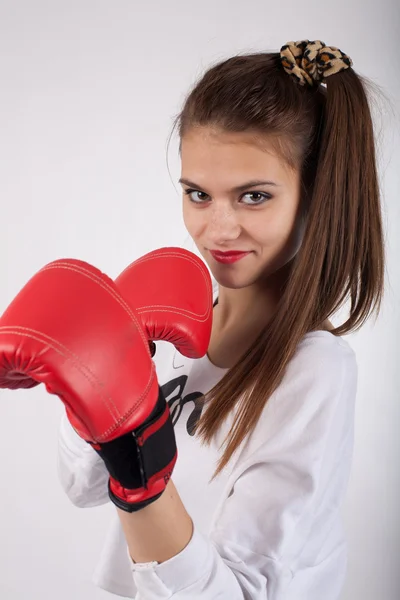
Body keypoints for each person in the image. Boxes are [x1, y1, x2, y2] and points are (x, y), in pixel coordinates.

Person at [55, 39, 385, 599]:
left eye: (254, 196)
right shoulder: (169, 328)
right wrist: (94, 377)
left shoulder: (314, 372)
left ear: (316, 197)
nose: (218, 228)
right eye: (198, 194)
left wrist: (142, 478)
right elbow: (81, 486)